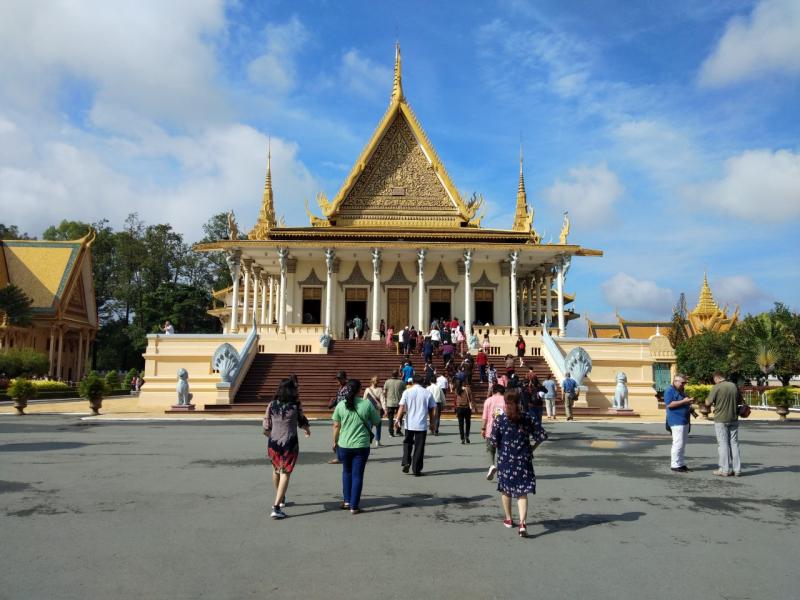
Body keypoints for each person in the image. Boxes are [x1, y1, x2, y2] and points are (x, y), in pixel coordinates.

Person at [489, 388, 548, 537]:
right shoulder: (528, 417)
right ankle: (522, 523)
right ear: (519, 402)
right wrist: (531, 449)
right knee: (522, 491)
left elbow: (493, 442)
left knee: (506, 489)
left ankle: (509, 519)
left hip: (505, 459)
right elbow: (541, 436)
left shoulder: (500, 419)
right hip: (524, 458)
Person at [263, 376, 311, 519]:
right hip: (290, 443)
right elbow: (302, 420)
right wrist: (307, 429)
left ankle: (280, 497)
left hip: (273, 443)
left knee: (276, 470)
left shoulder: (271, 405)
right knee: (285, 472)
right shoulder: (295, 405)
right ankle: (276, 507)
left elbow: (266, 426)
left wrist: (272, 436)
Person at [332, 379, 381, 514]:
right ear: (359, 390)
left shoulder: (341, 405)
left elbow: (336, 425)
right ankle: (354, 506)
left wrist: (334, 441)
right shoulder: (366, 404)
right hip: (361, 445)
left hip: (344, 444)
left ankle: (347, 501)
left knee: (346, 472)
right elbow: (377, 421)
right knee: (357, 475)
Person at [394, 374, 436, 476]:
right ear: (422, 382)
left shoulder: (407, 392)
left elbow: (401, 407)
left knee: (407, 443)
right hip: (421, 424)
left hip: (409, 423)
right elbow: (432, 410)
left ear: (412, 382)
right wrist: (432, 423)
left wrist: (397, 419)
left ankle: (406, 461)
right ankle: (416, 469)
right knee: (419, 447)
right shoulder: (427, 393)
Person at [705, 372, 743, 477]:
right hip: (733, 418)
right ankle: (737, 469)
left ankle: (724, 469)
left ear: (716, 378)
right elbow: (740, 400)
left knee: (723, 444)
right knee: (734, 444)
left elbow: (708, 403)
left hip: (721, 419)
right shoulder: (733, 386)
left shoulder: (716, 387)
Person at [664, 373, 694, 473]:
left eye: (685, 383)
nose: (683, 384)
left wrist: (688, 401)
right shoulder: (669, 390)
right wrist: (684, 401)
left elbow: (683, 401)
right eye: (682, 382)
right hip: (676, 420)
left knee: (682, 443)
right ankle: (675, 464)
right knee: (678, 443)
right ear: (675, 381)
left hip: (684, 420)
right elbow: (669, 404)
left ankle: (680, 463)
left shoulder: (681, 391)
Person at [481, 384, 507, 480]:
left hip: (490, 429)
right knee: (502, 451)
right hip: (504, 430)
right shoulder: (506, 400)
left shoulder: (488, 400)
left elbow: (485, 417)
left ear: (493, 391)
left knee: (490, 450)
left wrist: (483, 429)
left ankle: (491, 465)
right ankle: (503, 471)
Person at [327, 370, 349, 463]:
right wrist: (333, 403)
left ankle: (340, 457)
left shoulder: (347, 388)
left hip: (345, 414)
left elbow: (346, 401)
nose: (338, 380)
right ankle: (341, 456)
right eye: (337, 379)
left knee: (341, 435)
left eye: (339, 379)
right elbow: (339, 398)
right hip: (340, 413)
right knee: (341, 435)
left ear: (344, 378)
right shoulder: (341, 387)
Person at [364, 376, 386, 447]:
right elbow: (383, 400)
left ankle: (367, 441)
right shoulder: (380, 389)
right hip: (377, 410)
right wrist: (385, 409)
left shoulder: (367, 389)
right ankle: (377, 441)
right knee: (378, 426)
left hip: (368, 410)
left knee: (369, 426)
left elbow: (364, 400)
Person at [453, 378, 475, 444]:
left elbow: (455, 400)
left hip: (459, 408)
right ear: (463, 383)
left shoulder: (457, 390)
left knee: (461, 424)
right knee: (468, 423)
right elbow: (471, 399)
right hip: (467, 408)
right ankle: (467, 436)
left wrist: (455, 409)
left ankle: (462, 438)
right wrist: (473, 407)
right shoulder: (467, 389)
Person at [383, 370, 405, 437]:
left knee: (390, 418)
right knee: (399, 417)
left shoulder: (387, 382)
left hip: (390, 402)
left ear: (391, 374)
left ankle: (391, 432)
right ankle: (398, 430)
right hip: (399, 402)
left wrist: (386, 398)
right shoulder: (401, 382)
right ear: (397, 375)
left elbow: (384, 392)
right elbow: (404, 391)